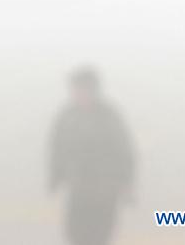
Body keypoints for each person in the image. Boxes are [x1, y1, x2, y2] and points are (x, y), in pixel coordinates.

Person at [48, 68, 136, 245]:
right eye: (76, 89)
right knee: (75, 234)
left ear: (94, 90)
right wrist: (55, 176)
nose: (79, 94)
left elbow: (124, 151)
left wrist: (126, 182)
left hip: (105, 190)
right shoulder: (67, 116)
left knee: (100, 236)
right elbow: (57, 148)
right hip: (78, 189)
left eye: (84, 89)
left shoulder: (109, 117)